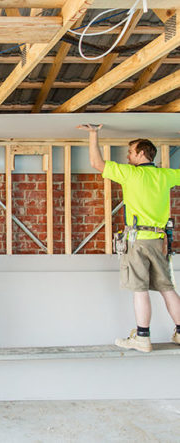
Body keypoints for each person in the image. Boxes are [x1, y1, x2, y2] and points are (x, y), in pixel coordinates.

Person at [82, 123, 180, 352]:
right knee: (167, 288)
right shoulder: (165, 176)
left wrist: (93, 134)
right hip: (160, 240)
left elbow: (97, 163)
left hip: (137, 241)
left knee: (140, 289)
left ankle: (142, 337)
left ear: (142, 153)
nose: (128, 156)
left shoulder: (131, 173)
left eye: (131, 152)